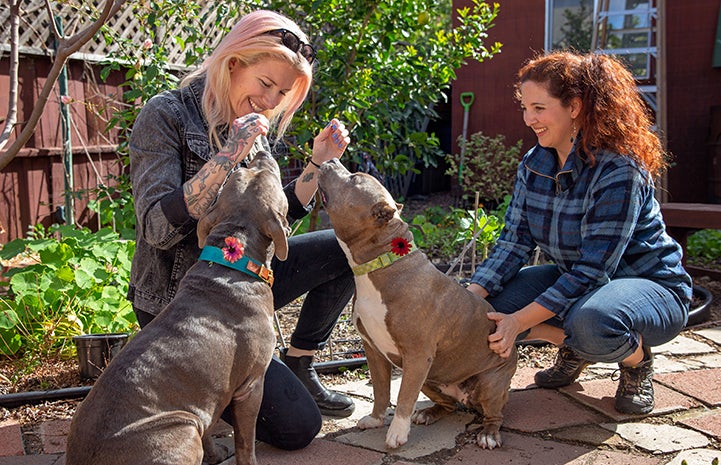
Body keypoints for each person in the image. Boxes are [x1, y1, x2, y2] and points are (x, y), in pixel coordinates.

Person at [127, 10, 356, 450]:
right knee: (297, 429)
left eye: (282, 92)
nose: (271, 100)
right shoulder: (167, 115)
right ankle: (201, 393)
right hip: (185, 303)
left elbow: (273, 218)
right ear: (233, 63)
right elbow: (156, 226)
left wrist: (318, 163)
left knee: (342, 249)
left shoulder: (253, 120)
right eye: (265, 84)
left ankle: (301, 362)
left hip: (246, 276)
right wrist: (230, 153)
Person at [466, 50, 692, 415]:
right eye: (525, 108)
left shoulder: (618, 170)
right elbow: (513, 242)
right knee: (489, 311)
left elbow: (594, 271)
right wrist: (469, 298)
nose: (529, 119)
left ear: (574, 106)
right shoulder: (533, 165)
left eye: (539, 108)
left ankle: (636, 362)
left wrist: (519, 323)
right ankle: (575, 347)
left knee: (590, 322)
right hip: (582, 281)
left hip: (649, 286)